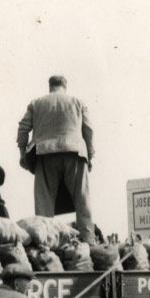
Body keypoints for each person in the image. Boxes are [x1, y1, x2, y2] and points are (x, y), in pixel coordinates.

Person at [16, 75, 95, 242]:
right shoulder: (78, 102)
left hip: (45, 154)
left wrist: (22, 154)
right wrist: (91, 156)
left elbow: (23, 128)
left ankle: (46, 246)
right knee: (82, 202)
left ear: (50, 86)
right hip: (75, 152)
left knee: (44, 208)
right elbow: (89, 130)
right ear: (65, 86)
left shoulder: (36, 103)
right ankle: (89, 243)